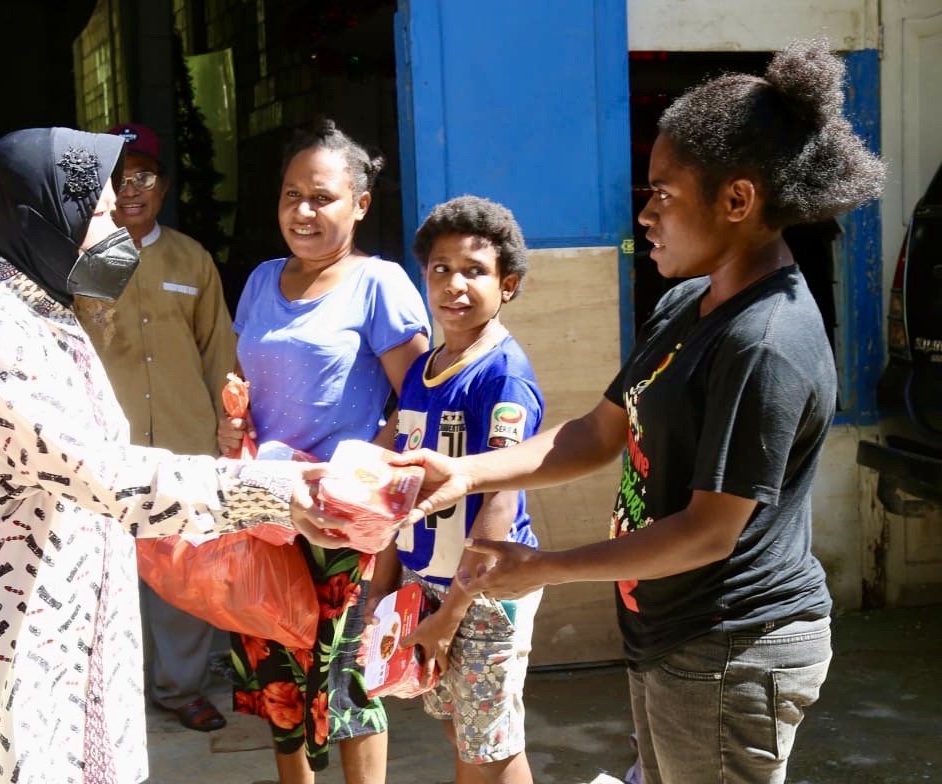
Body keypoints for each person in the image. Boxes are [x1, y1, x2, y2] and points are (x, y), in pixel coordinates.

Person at [382, 40, 885, 784]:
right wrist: (460, 472)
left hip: (732, 646)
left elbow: (709, 533)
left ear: (737, 200)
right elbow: (596, 433)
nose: (645, 214)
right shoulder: (690, 304)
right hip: (671, 634)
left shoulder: (765, 344)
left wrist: (546, 567)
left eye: (663, 194)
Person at [0, 127, 331, 784]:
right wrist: (278, 492)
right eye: (105, 215)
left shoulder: (44, 309)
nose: (121, 231)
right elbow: (105, 475)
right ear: (45, 216)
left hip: (57, 637)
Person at [218, 117, 430, 783]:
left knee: (348, 680)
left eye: (322, 197)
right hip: (268, 513)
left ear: (360, 205)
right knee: (279, 672)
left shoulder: (380, 285)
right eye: (290, 195)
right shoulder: (259, 281)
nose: (303, 211)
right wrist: (233, 427)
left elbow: (418, 401)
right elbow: (249, 385)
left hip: (344, 523)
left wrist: (364, 475)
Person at [369, 196, 544, 784]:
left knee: (485, 748)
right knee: (464, 730)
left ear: (508, 284)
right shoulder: (424, 368)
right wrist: (385, 585)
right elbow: (401, 482)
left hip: (484, 592)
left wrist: (452, 615)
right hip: (429, 583)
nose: (455, 285)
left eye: (475, 271)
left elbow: (501, 496)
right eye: (441, 269)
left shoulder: (502, 376)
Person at [74, 121, 233, 733]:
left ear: (163, 186)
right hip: (102, 445)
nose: (130, 189)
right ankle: (111, 689)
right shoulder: (80, 261)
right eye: (117, 178)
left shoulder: (190, 258)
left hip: (181, 438)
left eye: (141, 175)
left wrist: (228, 425)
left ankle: (180, 687)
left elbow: (218, 348)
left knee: (180, 570)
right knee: (103, 569)